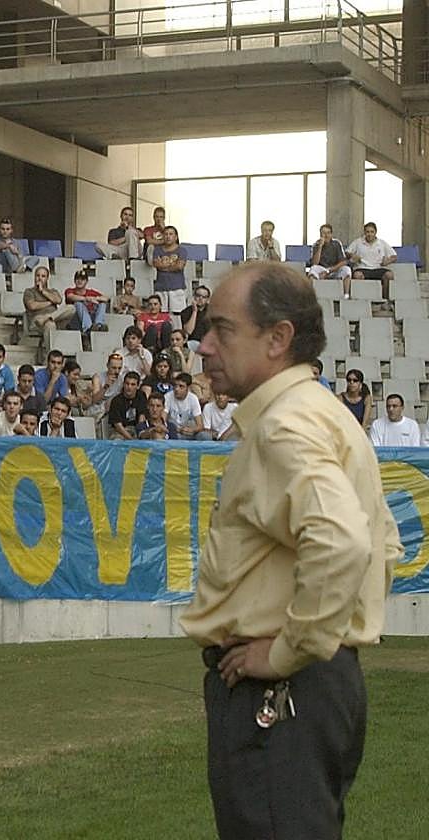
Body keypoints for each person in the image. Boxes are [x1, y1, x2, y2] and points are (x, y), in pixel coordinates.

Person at [180, 262, 398, 840]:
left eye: (223, 329)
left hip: (279, 698)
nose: (203, 346)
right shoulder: (322, 414)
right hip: (314, 691)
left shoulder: (284, 425)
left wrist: (285, 654)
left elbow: (345, 541)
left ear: (278, 338)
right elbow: (383, 541)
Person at [23, 264, 75, 340]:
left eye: (43, 276)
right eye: (38, 275)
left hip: (54, 318)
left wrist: (43, 291)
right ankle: (51, 352)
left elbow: (58, 300)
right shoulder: (29, 291)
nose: (40, 278)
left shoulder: (53, 291)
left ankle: (47, 317)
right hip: (37, 320)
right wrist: (50, 302)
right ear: (34, 277)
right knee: (50, 325)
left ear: (47, 278)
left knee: (71, 308)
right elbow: (32, 306)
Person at [347, 222, 397, 297]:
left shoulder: (382, 243)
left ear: (375, 232)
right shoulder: (358, 242)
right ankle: (360, 298)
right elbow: (347, 252)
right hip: (362, 268)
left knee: (389, 275)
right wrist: (353, 255)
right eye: (367, 232)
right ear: (364, 232)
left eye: (372, 232)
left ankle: (385, 299)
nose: (369, 234)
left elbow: (394, 256)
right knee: (357, 275)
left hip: (377, 268)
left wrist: (387, 261)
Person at [151, 225, 188, 312]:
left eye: (171, 234)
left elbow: (179, 266)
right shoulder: (157, 250)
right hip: (161, 288)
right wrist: (172, 265)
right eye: (166, 234)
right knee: (161, 316)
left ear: (176, 237)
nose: (168, 236)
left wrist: (164, 267)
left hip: (177, 288)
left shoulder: (181, 250)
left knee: (178, 317)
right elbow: (156, 264)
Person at [308, 223, 351, 289]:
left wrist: (328, 271)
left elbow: (343, 262)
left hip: (334, 269)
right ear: (320, 234)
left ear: (331, 234)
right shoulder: (316, 245)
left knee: (347, 270)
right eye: (324, 233)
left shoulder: (337, 243)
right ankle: (312, 295)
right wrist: (320, 247)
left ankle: (346, 296)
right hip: (321, 270)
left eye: (328, 233)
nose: (326, 235)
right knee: (312, 270)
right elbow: (314, 263)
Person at [164, 372, 205, 439]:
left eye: (181, 386)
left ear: (188, 388)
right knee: (177, 437)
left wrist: (192, 430)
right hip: (174, 432)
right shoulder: (167, 397)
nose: (177, 389)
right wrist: (176, 430)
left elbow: (200, 425)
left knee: (205, 436)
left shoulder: (193, 398)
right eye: (175, 385)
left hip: (189, 432)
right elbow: (163, 421)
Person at [107, 371, 146, 440]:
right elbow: (117, 425)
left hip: (136, 428)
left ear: (138, 386)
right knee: (116, 440)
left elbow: (142, 416)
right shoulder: (116, 401)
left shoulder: (141, 396)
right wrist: (131, 439)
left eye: (133, 384)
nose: (129, 387)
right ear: (123, 384)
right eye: (127, 384)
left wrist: (141, 433)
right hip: (121, 430)